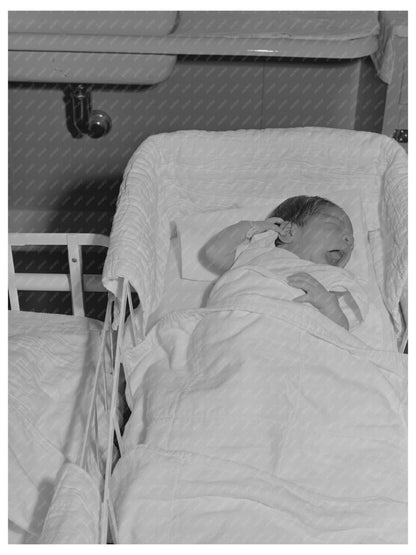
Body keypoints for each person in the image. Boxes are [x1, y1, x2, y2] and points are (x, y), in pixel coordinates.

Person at [202, 196, 363, 331]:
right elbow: (214, 251)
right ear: (289, 231)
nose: (350, 240)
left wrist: (330, 306)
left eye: (351, 237)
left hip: (288, 340)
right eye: (335, 225)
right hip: (234, 322)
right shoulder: (259, 251)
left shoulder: (332, 284)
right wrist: (254, 226)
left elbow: (341, 336)